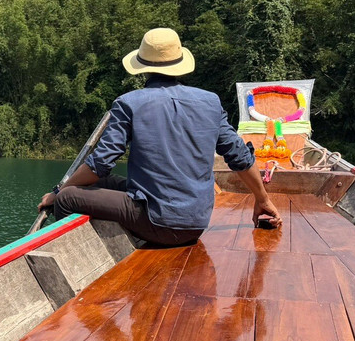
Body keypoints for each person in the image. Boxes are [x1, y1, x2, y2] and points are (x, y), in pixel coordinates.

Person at [38, 27, 281, 246]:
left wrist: (58, 193)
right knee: (106, 182)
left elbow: (99, 163)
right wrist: (262, 199)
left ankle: (99, 259)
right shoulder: (210, 102)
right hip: (196, 223)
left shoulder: (128, 103)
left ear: (143, 68)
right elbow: (240, 157)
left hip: (158, 222)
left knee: (68, 198)